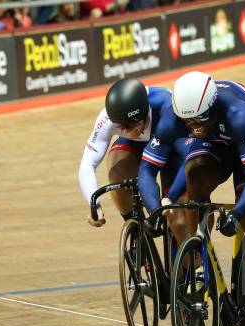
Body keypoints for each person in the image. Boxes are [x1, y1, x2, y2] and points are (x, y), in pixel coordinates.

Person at [169, 70, 245, 326]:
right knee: (194, 181)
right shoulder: (189, 112)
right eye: (187, 122)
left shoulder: (239, 113)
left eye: (197, 120)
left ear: (210, 107)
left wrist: (237, 212)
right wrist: (170, 198)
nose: (191, 126)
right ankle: (197, 258)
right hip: (215, 141)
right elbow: (180, 163)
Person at [79, 78, 190, 243]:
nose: (124, 130)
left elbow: (189, 157)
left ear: (144, 113)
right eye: (119, 126)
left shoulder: (166, 106)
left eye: (129, 126)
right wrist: (94, 204)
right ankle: (138, 233)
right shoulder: (108, 119)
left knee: (178, 217)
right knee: (117, 174)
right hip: (137, 144)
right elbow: (88, 163)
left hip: (170, 145)